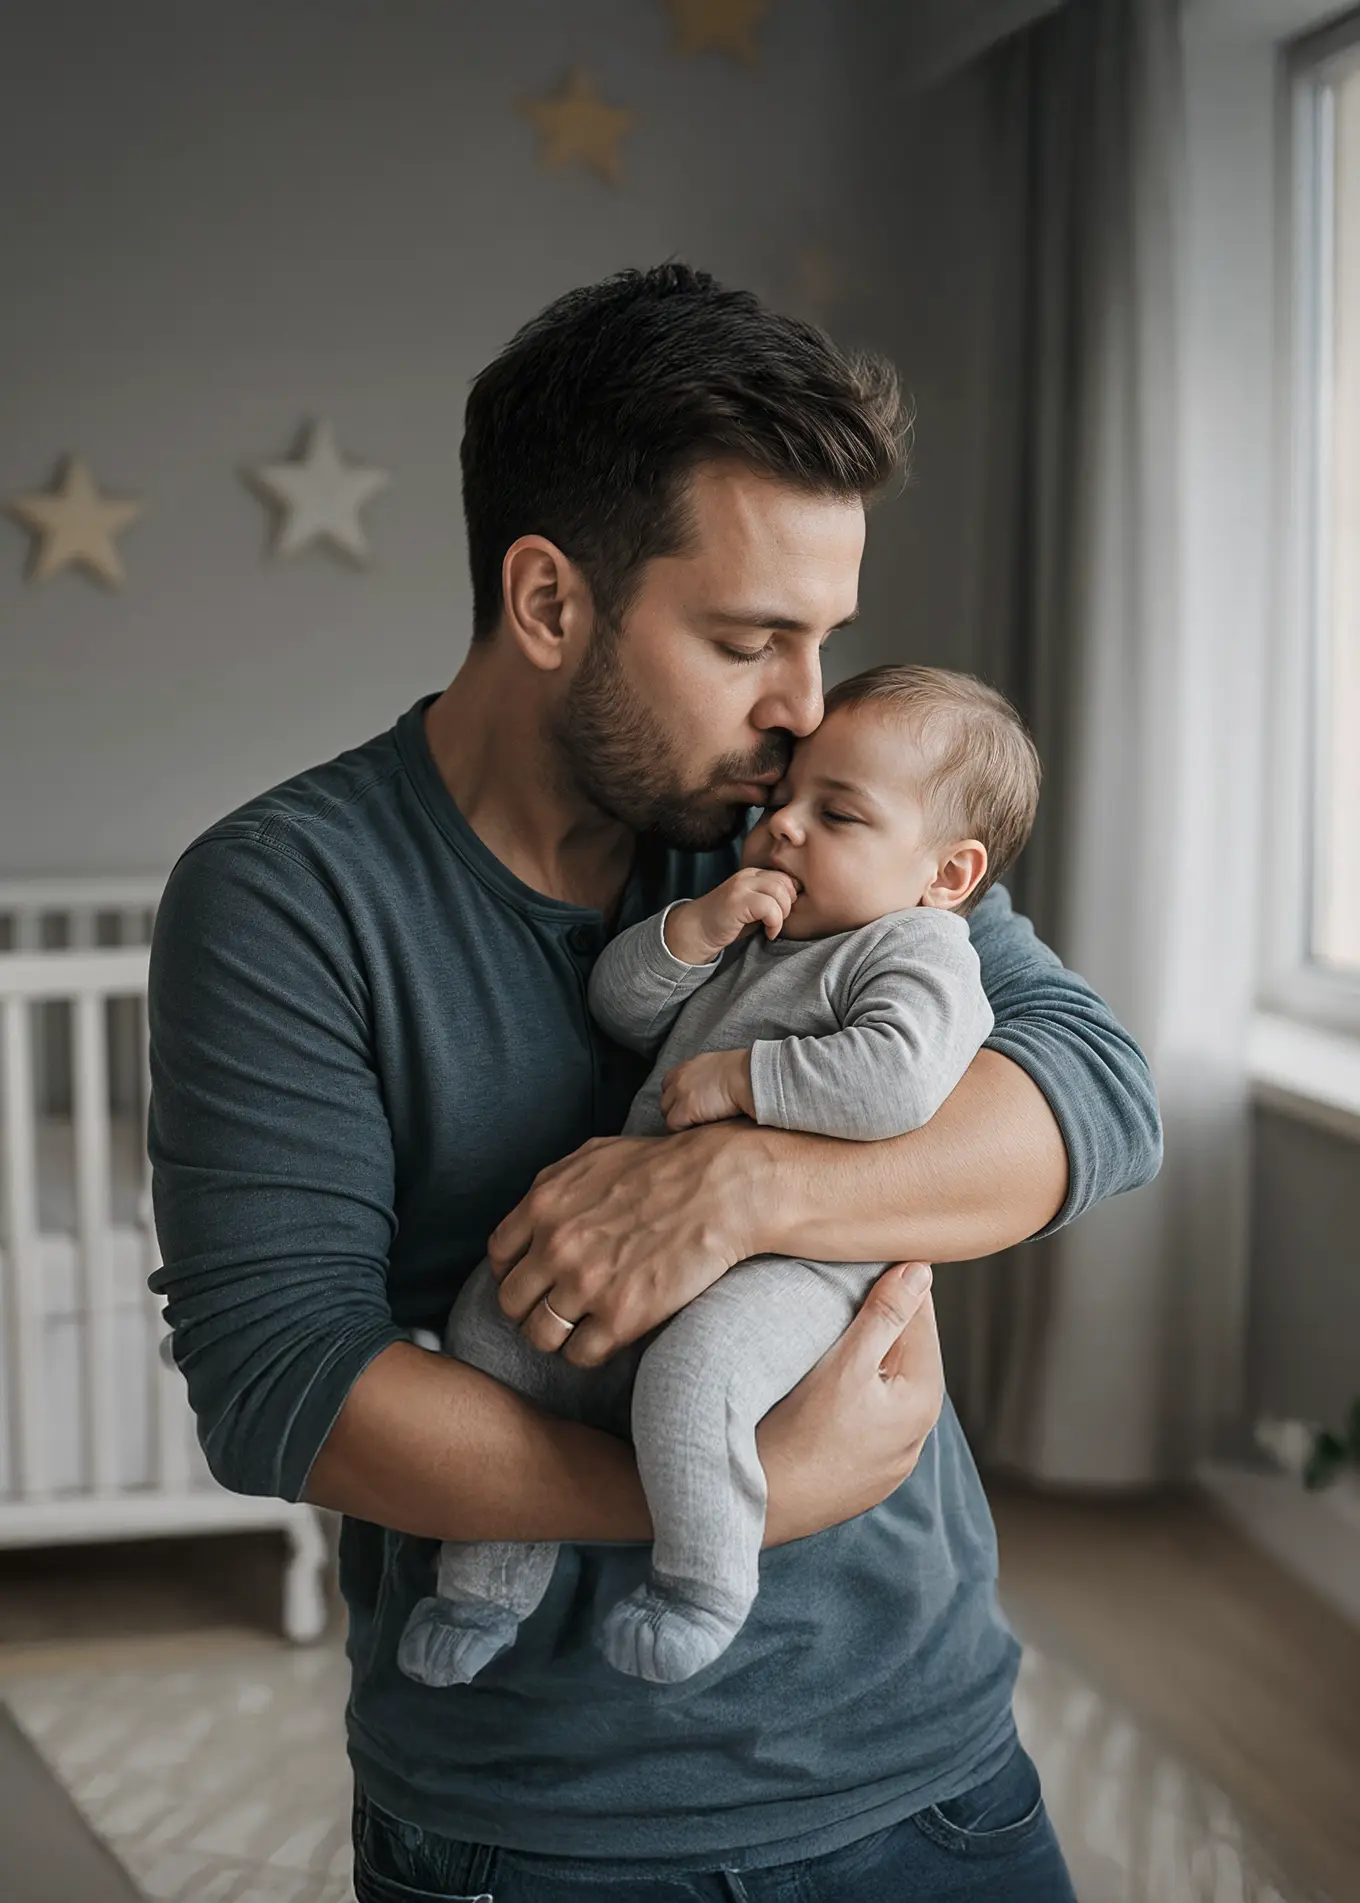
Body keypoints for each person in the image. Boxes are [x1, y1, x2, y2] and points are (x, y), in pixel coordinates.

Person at [148, 264, 1161, 1903]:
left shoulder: (804, 818)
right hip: (537, 1830)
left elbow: (1095, 1089)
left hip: (931, 1760)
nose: (809, 708)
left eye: (824, 641)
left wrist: (753, 1181)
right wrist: (729, 1497)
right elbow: (280, 1383)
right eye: (752, 639)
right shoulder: (290, 895)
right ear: (550, 603)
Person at [399, 664, 1033, 1694]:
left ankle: (700, 1581)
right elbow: (622, 1007)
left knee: (695, 1376)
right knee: (488, 1332)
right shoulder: (763, 927)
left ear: (947, 874)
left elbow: (895, 1081)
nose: (782, 828)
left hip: (799, 1267)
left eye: (836, 813)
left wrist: (748, 1078)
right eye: (785, 800)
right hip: (650, 1232)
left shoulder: (917, 952)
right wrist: (690, 936)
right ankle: (484, 1580)